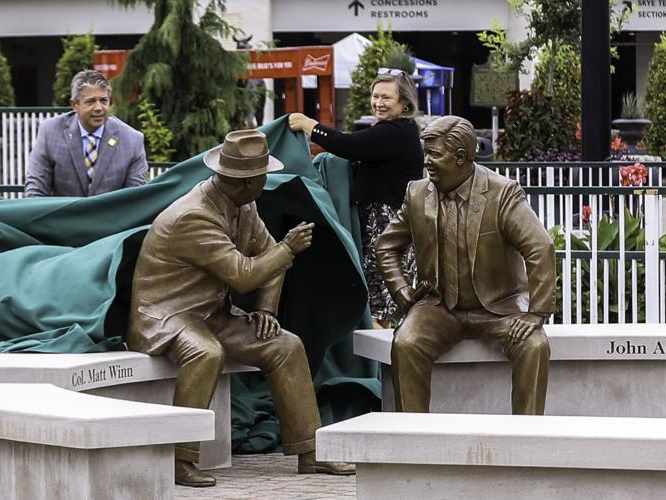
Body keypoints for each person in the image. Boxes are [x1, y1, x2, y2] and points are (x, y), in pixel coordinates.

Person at [126, 129, 355, 487]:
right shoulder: (194, 215)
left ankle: (311, 452)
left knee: (285, 345)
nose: (267, 180)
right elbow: (244, 275)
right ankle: (179, 458)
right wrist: (288, 249)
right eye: (263, 174)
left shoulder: (242, 205)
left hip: (210, 313)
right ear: (246, 181)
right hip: (166, 314)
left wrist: (266, 310)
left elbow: (267, 259)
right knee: (205, 353)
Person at [376, 115, 556, 415]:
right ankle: (414, 441)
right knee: (405, 343)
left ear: (460, 157)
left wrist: (536, 312)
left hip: (500, 307)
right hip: (438, 308)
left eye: (434, 154)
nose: (427, 162)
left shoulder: (502, 193)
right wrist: (402, 292)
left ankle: (526, 442)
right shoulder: (417, 193)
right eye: (426, 153)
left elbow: (540, 246)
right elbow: (386, 245)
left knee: (534, 347)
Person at [288, 68, 423, 328]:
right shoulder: (395, 131)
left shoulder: (397, 133)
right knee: (378, 301)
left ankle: (378, 366)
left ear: (404, 104)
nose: (378, 103)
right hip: (382, 227)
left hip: (388, 230)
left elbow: (349, 146)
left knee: (380, 304)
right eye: (375, 96)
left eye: (386, 98)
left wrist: (309, 125)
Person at [25, 70, 148, 197]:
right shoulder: (50, 132)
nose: (99, 108)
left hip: (112, 216)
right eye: (91, 101)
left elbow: (135, 197)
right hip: (63, 215)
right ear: (74, 104)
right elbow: (36, 190)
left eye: (104, 100)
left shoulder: (133, 140)